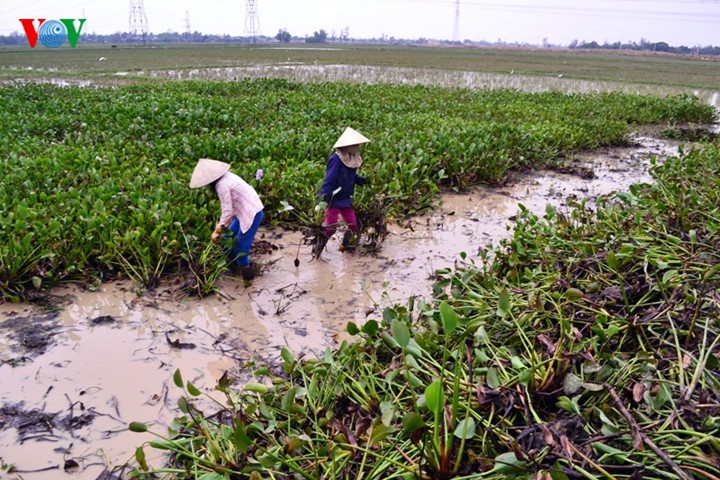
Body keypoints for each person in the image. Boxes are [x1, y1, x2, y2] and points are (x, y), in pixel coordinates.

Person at [189, 158, 264, 280]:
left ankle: (249, 282)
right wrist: (221, 230)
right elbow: (230, 210)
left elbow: (227, 211)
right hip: (242, 212)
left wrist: (217, 230)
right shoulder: (228, 176)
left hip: (252, 213)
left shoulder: (221, 185)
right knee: (226, 239)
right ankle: (235, 270)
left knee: (241, 250)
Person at [319, 127, 370, 252]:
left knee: (352, 225)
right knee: (331, 228)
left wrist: (361, 180)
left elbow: (351, 176)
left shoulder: (352, 158)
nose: (357, 147)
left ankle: (345, 248)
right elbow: (329, 179)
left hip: (345, 198)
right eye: (355, 144)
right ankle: (318, 247)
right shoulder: (336, 159)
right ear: (347, 145)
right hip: (332, 198)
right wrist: (324, 198)